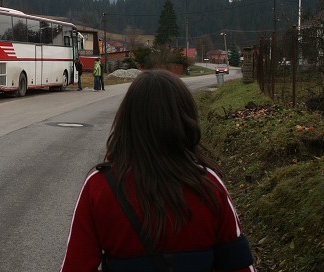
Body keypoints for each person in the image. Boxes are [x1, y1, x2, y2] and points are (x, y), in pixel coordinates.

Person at [60, 69, 256, 272]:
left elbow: (75, 266)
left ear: (127, 120)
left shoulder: (99, 186)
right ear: (185, 118)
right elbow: (240, 267)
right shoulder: (208, 184)